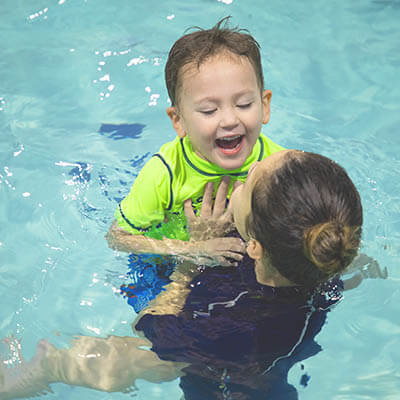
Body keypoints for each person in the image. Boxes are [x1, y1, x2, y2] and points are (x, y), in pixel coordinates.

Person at [0, 150, 387, 400]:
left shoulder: (226, 319)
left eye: (250, 181)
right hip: (272, 375)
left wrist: (192, 259)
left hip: (220, 382)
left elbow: (151, 330)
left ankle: (45, 367)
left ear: (254, 247)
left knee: (124, 360)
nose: (250, 166)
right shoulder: (324, 255)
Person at [106, 16, 283, 266]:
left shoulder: (278, 165)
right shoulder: (165, 174)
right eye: (209, 110)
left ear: (265, 106)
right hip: (178, 257)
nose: (230, 119)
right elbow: (118, 237)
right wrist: (193, 249)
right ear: (179, 121)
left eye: (244, 104)